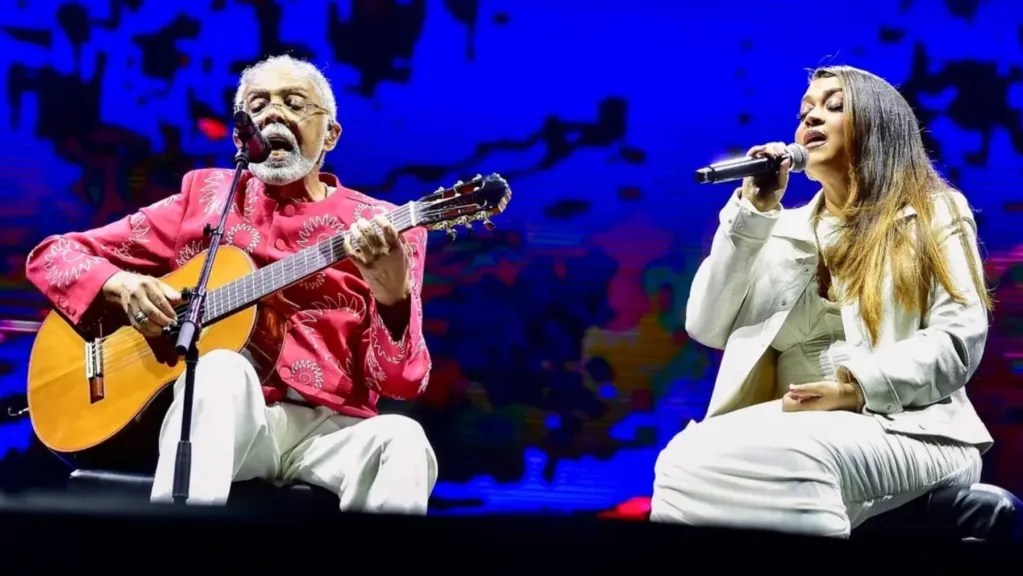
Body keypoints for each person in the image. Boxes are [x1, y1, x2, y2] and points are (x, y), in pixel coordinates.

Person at [24, 54, 437, 514]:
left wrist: (393, 298)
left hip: (332, 433)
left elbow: (400, 381)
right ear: (243, 134)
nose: (274, 113)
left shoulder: (381, 229)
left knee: (404, 439)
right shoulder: (205, 198)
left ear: (331, 135)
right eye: (257, 105)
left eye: (295, 103)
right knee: (220, 369)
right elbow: (53, 256)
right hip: (229, 423)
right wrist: (121, 284)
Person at [650, 65, 995, 537]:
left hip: (909, 425)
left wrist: (855, 388)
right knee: (681, 459)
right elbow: (706, 326)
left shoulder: (933, 210)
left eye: (833, 107)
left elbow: (958, 340)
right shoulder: (777, 230)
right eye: (804, 111)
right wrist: (753, 215)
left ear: (879, 128)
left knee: (795, 457)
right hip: (788, 422)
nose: (811, 119)